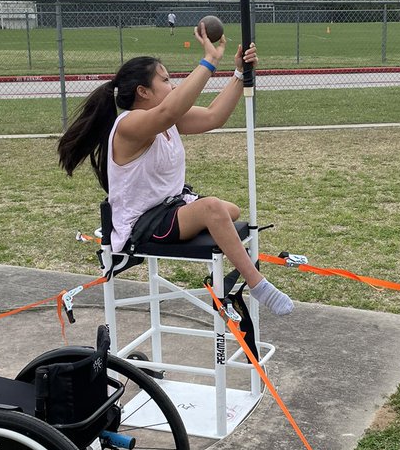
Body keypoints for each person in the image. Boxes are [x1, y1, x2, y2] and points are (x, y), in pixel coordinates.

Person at [58, 20, 294, 315]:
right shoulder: (130, 124)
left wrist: (238, 73)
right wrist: (209, 60)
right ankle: (259, 285)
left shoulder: (167, 120)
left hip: (169, 208)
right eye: (166, 80)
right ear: (144, 91)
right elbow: (171, 108)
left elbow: (212, 116)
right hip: (142, 224)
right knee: (213, 210)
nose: (172, 85)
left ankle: (236, 265)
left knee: (227, 210)